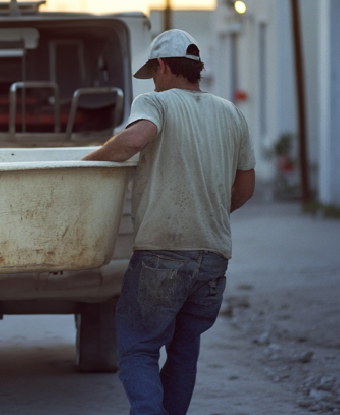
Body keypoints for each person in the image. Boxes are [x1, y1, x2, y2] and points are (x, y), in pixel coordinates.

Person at [82, 29, 256, 415]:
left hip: (162, 255)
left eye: (154, 72)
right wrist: (206, 213)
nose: (154, 82)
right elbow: (245, 187)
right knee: (184, 351)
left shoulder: (155, 103)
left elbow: (134, 140)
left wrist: (86, 164)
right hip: (213, 258)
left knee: (138, 348)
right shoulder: (231, 113)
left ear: (162, 66)